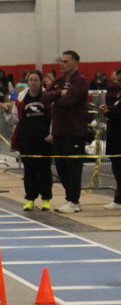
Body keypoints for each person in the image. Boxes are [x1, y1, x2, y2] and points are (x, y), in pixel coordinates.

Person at [42, 50, 90, 213]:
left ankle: (73, 201)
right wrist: (58, 93)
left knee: (73, 168)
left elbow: (69, 101)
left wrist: (55, 98)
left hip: (74, 131)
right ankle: (70, 198)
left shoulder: (81, 81)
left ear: (75, 63)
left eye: (65, 61)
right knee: (61, 168)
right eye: (61, 61)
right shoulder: (58, 80)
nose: (62, 64)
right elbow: (44, 97)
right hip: (59, 131)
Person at [11, 71, 54, 211]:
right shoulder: (21, 98)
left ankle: (46, 199)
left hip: (44, 140)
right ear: (27, 82)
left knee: (45, 170)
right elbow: (15, 118)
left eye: (36, 80)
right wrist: (6, 112)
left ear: (41, 82)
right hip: (26, 139)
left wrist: (51, 134)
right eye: (31, 80)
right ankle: (30, 199)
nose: (33, 82)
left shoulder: (47, 96)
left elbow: (53, 117)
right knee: (29, 171)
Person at [99, 68, 121, 211]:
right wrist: (109, 109)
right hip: (115, 139)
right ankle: (119, 199)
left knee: (119, 170)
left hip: (119, 140)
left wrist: (108, 112)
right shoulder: (118, 95)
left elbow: (118, 114)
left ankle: (118, 199)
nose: (118, 83)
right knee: (117, 170)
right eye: (117, 80)